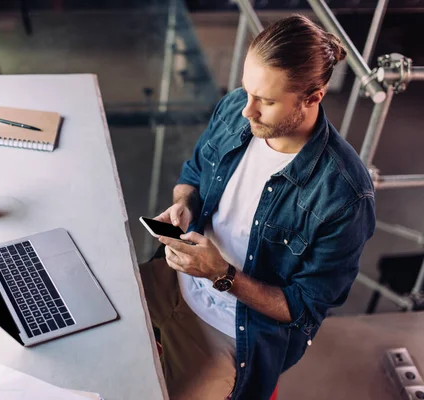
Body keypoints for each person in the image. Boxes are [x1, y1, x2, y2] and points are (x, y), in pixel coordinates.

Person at [140, 14, 376, 400]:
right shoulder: (237, 109)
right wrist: (183, 203)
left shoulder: (343, 196)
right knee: (83, 337)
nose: (247, 111)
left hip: (232, 331)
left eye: (265, 101)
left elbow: (304, 309)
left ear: (313, 97)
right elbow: (195, 172)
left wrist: (222, 274)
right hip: (171, 280)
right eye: (247, 91)